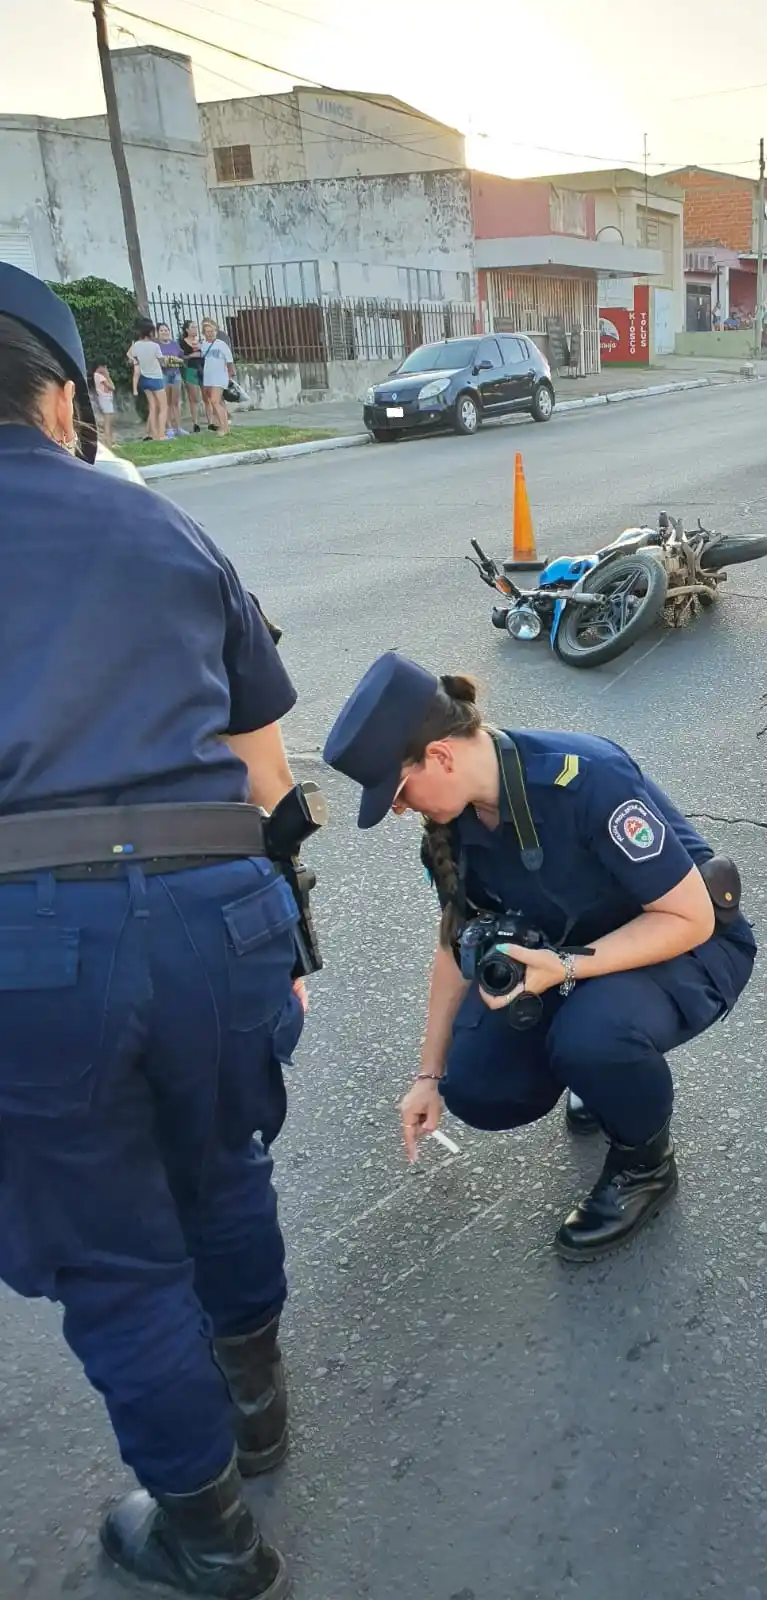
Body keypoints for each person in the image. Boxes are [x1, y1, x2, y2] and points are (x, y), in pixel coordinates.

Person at [0, 263, 306, 1599]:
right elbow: (270, 774)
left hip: (35, 941)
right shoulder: (167, 530)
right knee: (223, 1163)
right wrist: (281, 941)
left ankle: (213, 1538)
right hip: (213, 912)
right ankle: (258, 1410)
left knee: (116, 1253)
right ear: (64, 396)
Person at [323, 654, 757, 1261]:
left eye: (398, 794)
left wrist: (570, 968)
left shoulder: (585, 780)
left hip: (685, 945)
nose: (400, 810)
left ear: (440, 757)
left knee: (594, 1037)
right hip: (565, 955)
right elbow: (454, 944)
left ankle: (644, 1164)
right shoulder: (452, 828)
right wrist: (427, 1076)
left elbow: (691, 918)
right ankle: (599, 1071)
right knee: (475, 1084)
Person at [128, 316, 167, 442]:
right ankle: (161, 435)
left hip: (144, 378)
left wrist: (134, 361)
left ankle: (154, 434)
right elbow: (162, 362)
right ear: (151, 332)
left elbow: (129, 354)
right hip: (156, 378)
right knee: (163, 407)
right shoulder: (155, 346)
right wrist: (166, 361)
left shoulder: (136, 345)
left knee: (153, 407)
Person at [200, 317, 235, 436]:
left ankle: (225, 428)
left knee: (215, 401)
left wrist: (230, 374)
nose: (210, 334)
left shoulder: (221, 344)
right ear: (204, 333)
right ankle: (223, 425)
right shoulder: (204, 345)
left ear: (216, 331)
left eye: (212, 331)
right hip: (209, 377)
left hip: (220, 376)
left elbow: (230, 361)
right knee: (216, 402)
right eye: (207, 332)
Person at [156, 321, 184, 438]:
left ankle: (178, 427)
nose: (164, 332)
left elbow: (181, 357)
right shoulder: (156, 345)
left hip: (176, 374)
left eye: (166, 330)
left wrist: (175, 360)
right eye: (161, 330)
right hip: (164, 375)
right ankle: (169, 428)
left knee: (175, 402)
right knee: (165, 403)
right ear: (157, 333)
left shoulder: (174, 344)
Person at [180, 319, 205, 433]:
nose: (195, 329)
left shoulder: (200, 341)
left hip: (202, 369)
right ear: (187, 330)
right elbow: (181, 357)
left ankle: (211, 421)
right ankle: (196, 423)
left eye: (196, 327)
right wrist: (191, 355)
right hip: (190, 369)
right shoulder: (182, 342)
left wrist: (200, 352)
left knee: (207, 396)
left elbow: (205, 353)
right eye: (192, 327)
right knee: (193, 398)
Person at [92, 360, 115, 447]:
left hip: (105, 399)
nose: (106, 369)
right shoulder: (99, 376)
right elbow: (112, 387)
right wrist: (108, 376)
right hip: (105, 400)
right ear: (100, 367)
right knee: (107, 422)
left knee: (109, 421)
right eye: (104, 367)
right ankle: (108, 442)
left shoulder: (96, 376)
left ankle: (110, 441)